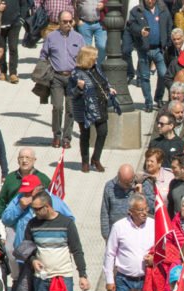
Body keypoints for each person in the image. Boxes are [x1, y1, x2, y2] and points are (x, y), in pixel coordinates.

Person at [39, 11, 84, 149]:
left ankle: (67, 138)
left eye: (70, 21)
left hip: (72, 77)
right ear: (59, 22)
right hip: (56, 77)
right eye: (65, 21)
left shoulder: (78, 38)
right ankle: (56, 136)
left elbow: (84, 57)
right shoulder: (51, 37)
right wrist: (43, 71)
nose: (68, 24)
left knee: (70, 109)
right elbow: (43, 55)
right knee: (57, 107)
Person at [68, 46, 116, 173]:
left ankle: (96, 158)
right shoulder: (76, 73)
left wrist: (109, 89)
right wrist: (79, 88)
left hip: (100, 106)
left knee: (102, 132)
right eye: (94, 56)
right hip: (84, 109)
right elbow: (70, 93)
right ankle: (85, 161)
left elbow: (103, 82)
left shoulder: (96, 69)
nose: (96, 58)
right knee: (85, 135)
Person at [103, 193, 155, 291]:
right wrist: (109, 279)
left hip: (147, 280)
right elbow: (110, 253)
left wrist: (154, 260)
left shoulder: (154, 224)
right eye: (140, 210)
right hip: (124, 281)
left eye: (146, 209)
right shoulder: (119, 226)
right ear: (131, 211)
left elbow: (163, 249)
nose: (145, 213)